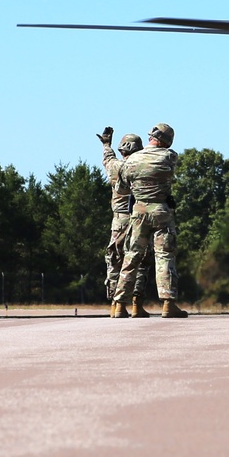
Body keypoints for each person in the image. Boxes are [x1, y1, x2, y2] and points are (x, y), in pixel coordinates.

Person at [110, 123, 188, 318]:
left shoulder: (132, 160)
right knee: (164, 257)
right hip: (162, 211)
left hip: (138, 213)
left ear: (151, 137)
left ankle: (119, 305)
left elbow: (121, 190)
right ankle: (168, 304)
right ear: (167, 140)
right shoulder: (170, 156)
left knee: (131, 257)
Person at [98, 127, 153, 318]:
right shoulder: (144, 168)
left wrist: (106, 145)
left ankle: (116, 305)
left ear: (123, 150)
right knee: (141, 260)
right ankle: (137, 304)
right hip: (141, 217)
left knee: (115, 260)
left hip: (120, 220)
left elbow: (108, 160)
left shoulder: (116, 167)